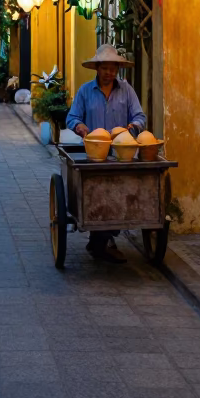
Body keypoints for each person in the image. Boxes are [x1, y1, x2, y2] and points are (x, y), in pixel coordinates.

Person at [65, 44, 147, 264]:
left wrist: (131, 128)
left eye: (113, 69)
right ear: (97, 69)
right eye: (105, 68)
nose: (109, 73)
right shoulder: (84, 91)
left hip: (122, 154)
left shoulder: (127, 91)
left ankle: (102, 241)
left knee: (120, 195)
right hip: (95, 156)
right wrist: (80, 127)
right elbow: (72, 118)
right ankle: (100, 241)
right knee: (98, 195)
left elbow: (140, 117)